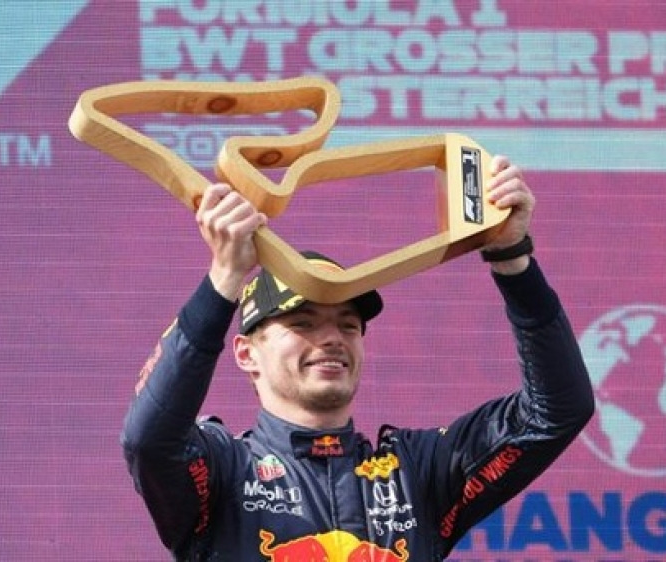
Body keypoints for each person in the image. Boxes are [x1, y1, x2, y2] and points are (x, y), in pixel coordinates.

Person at [121, 155, 595, 561]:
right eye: (303, 323)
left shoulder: (418, 472)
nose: (331, 338)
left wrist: (512, 260)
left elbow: (556, 411)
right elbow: (149, 440)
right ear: (246, 354)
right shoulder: (224, 468)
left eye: (348, 325)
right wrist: (225, 278)